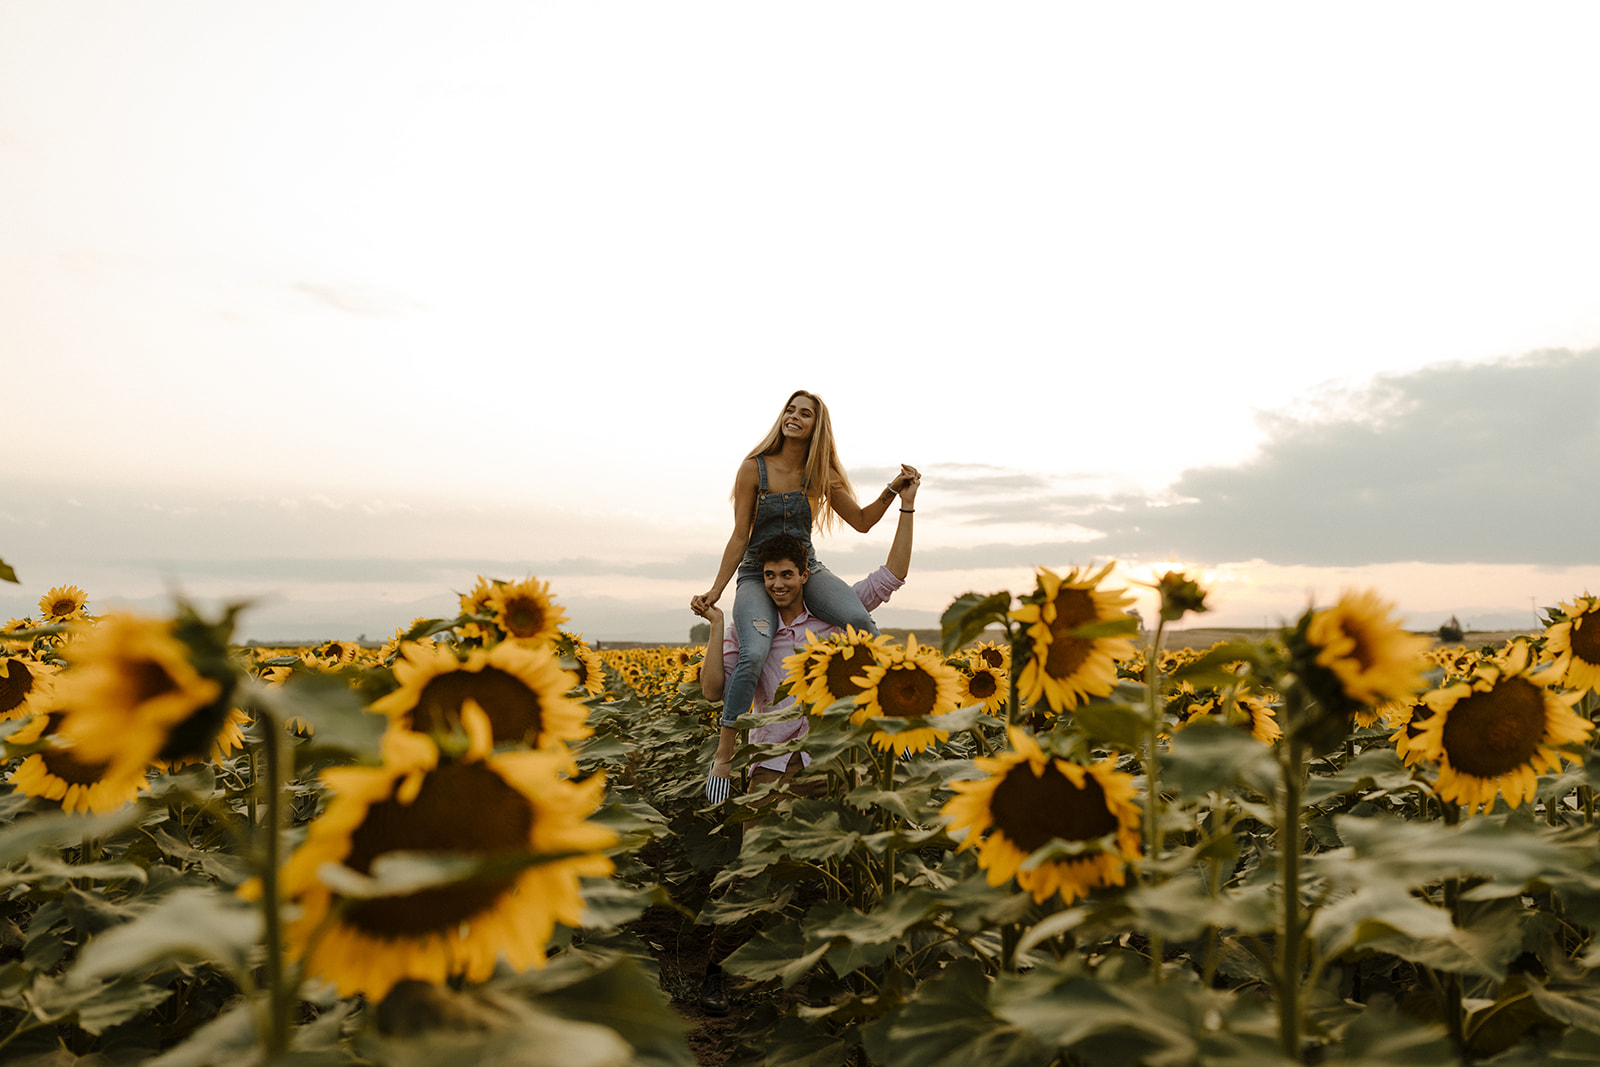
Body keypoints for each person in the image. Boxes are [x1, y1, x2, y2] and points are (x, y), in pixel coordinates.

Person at [688, 472, 919, 1015]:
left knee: (822, 873)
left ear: (804, 574)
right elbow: (713, 691)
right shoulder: (753, 631)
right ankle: (718, 972)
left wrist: (906, 508)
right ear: (761, 580)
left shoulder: (833, 619)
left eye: (788, 574)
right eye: (769, 576)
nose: (779, 584)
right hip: (767, 767)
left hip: (825, 764)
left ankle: (809, 987)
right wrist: (720, 623)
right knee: (753, 872)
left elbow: (892, 576)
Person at [689, 390, 916, 802]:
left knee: (862, 623)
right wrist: (716, 590)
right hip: (759, 571)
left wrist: (894, 491)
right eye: (790, 410)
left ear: (817, 425)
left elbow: (863, 522)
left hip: (805, 564)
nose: (794, 417)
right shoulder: (752, 470)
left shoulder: (820, 473)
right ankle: (724, 755)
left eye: (804, 413)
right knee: (753, 654)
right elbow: (740, 536)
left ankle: (883, 713)